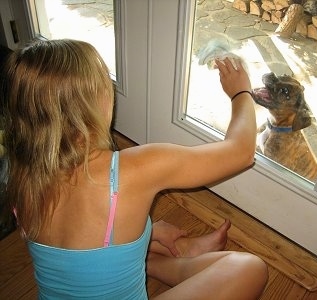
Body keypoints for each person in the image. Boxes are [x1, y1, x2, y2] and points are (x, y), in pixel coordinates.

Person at [2, 39, 268, 299]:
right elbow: (240, 152)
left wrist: (150, 229)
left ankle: (168, 252)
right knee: (249, 268)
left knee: (120, 234)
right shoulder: (132, 171)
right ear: (96, 103)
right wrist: (240, 93)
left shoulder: (20, 175)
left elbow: (80, 233)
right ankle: (162, 261)